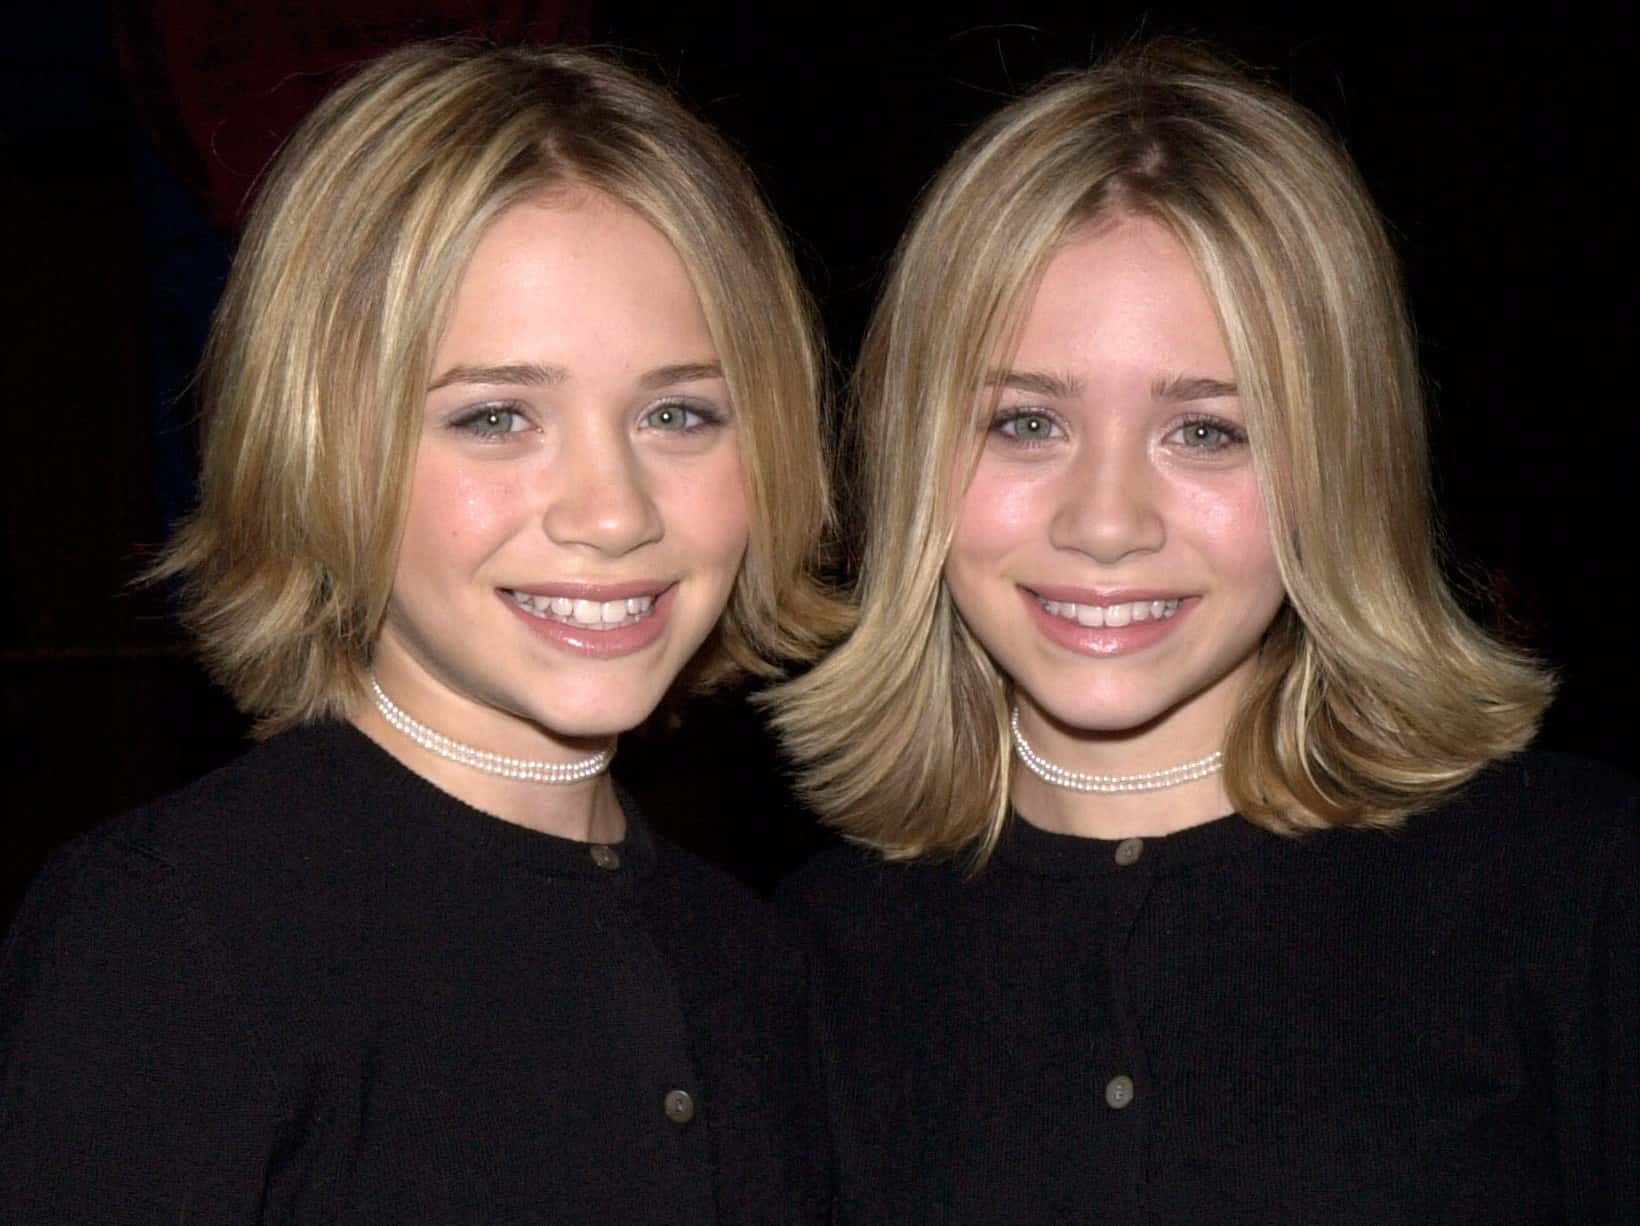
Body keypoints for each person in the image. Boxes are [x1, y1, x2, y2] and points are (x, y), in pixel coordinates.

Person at [771, 40, 1637, 1225]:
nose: (1105, 521)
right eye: (1025, 421)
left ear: (1337, 459)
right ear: (909, 450)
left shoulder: (1573, 887)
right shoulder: (808, 959)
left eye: (1206, 432)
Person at [1, 41, 843, 1224]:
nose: (611, 511)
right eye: (496, 416)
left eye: (677, 411)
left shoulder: (760, 965)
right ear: (320, 436)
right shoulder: (173, 936)